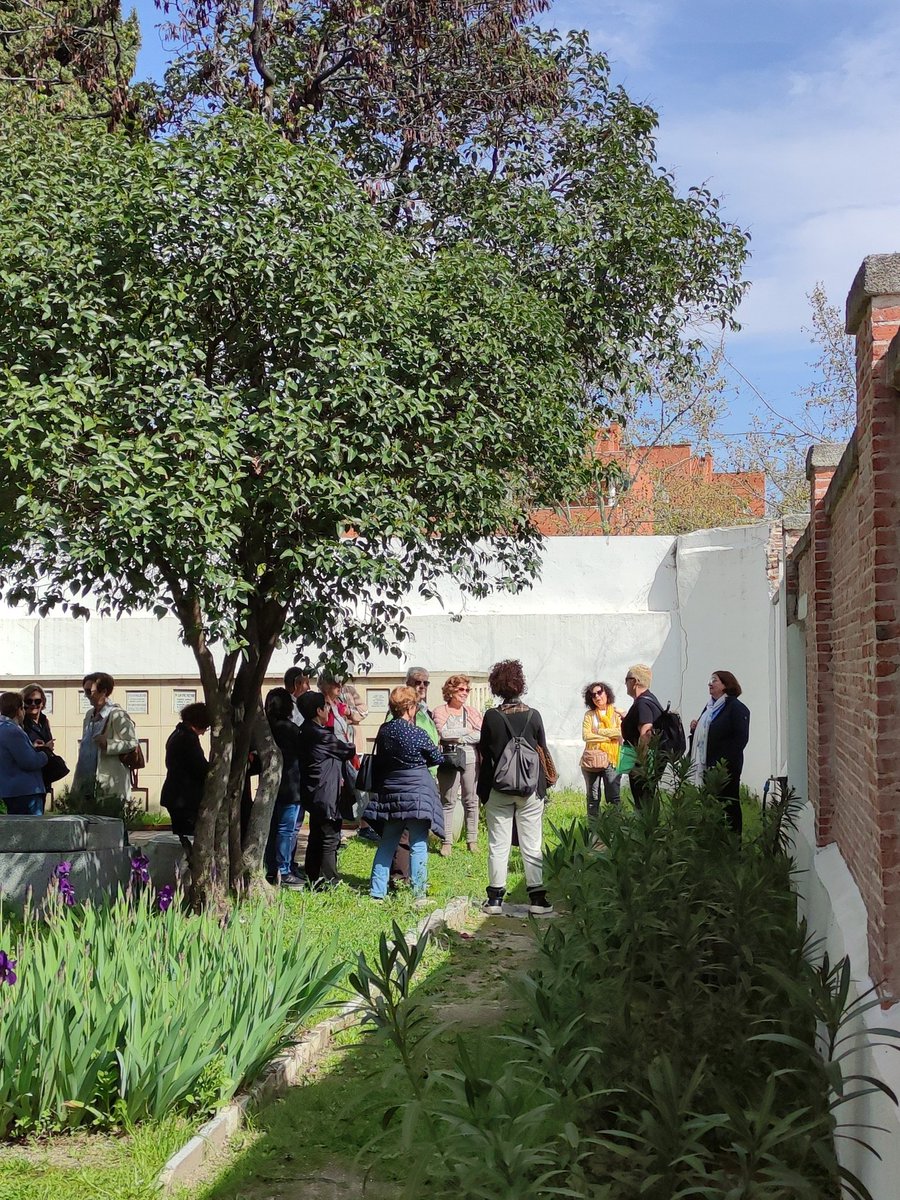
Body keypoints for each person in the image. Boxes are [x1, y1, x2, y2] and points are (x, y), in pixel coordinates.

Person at [476, 659, 553, 916]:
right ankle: (538, 899)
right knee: (532, 843)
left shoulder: (491, 717)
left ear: (496, 687)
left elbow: (485, 753)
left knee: (498, 844)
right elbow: (542, 750)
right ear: (521, 685)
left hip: (498, 788)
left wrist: (483, 791)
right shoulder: (534, 715)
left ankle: (495, 899)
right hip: (530, 789)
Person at [368, 685, 444, 900]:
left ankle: (377, 892)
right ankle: (419, 893)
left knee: (387, 842)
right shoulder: (416, 732)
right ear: (410, 707)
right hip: (417, 792)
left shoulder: (384, 730)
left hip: (392, 791)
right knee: (418, 843)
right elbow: (437, 758)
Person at [297, 689, 357, 887]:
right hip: (326, 792)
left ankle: (313, 877)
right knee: (330, 837)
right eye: (326, 707)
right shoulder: (321, 735)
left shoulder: (304, 730)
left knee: (316, 835)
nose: (329, 710)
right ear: (318, 710)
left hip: (313, 791)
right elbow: (347, 750)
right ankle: (331, 881)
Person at [689, 670, 751, 835]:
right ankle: (713, 839)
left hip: (725, 768)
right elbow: (707, 732)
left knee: (729, 805)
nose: (710, 684)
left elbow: (740, 739)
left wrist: (723, 764)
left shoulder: (736, 708)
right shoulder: (710, 707)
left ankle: (732, 842)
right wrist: (695, 728)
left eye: (714, 680)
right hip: (707, 766)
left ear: (726, 684)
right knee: (710, 804)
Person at [433, 674, 482, 855]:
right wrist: (467, 731)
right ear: (451, 690)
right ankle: (446, 841)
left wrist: (460, 737)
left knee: (471, 800)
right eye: (461, 689)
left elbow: (481, 734)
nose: (465, 693)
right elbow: (443, 734)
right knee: (448, 800)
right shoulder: (440, 711)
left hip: (470, 758)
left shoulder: (472, 712)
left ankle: (472, 840)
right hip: (449, 759)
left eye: (467, 690)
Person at [71, 672, 139, 803]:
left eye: (89, 691)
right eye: (84, 691)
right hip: (86, 783)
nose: (86, 696)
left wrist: (108, 744)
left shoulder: (117, 715)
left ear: (103, 691)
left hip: (108, 784)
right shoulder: (89, 715)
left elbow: (132, 742)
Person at [263, 688, 306, 888]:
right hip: (291, 786)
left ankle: (272, 869)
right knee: (287, 830)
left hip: (270, 787)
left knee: (273, 829)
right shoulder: (292, 729)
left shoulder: (266, 729)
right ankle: (284, 870)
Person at [160, 702, 211, 837]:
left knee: (182, 834)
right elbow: (199, 767)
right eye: (205, 727)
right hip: (184, 799)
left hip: (176, 795)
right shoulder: (188, 738)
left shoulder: (178, 733)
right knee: (188, 836)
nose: (203, 733)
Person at [620, 664, 663, 811]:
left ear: (635, 681)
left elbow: (646, 732)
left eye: (626, 679)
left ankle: (646, 826)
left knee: (643, 802)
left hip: (643, 763)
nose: (625, 683)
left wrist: (641, 763)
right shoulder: (649, 699)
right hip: (648, 761)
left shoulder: (642, 703)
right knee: (645, 801)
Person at [0, 691, 49, 814]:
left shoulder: (3, 728)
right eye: (23, 707)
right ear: (18, 710)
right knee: (32, 825)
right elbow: (29, 762)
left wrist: (31, 747)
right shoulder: (13, 730)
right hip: (26, 791)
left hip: (10, 790)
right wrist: (45, 754)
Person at [580, 681, 622, 817]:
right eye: (593, 695)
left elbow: (619, 732)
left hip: (612, 760)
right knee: (593, 798)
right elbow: (586, 736)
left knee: (613, 797)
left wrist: (598, 731)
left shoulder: (616, 713)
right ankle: (594, 828)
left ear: (606, 693)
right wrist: (608, 738)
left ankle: (614, 827)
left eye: (599, 692)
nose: (597, 697)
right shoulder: (589, 715)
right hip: (592, 760)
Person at [21, 683, 68, 797]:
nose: (33, 704)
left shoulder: (44, 721)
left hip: (44, 776)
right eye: (29, 701)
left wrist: (48, 747)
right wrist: (33, 746)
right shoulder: (21, 722)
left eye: (37, 701)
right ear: (23, 703)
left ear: (42, 703)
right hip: (28, 779)